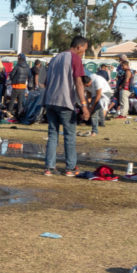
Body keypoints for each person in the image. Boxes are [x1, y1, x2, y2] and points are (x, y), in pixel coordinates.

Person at [41, 36, 89, 176]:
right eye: (84, 50)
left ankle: (49, 168)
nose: (83, 53)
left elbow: (45, 81)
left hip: (50, 100)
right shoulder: (75, 58)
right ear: (79, 47)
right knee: (69, 135)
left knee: (53, 134)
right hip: (65, 102)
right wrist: (84, 105)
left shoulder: (55, 58)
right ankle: (70, 168)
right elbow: (79, 83)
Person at [81, 70, 110, 136]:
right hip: (95, 95)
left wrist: (92, 107)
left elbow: (99, 95)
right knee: (97, 109)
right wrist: (89, 105)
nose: (86, 87)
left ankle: (94, 131)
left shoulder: (97, 81)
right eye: (85, 86)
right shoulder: (86, 84)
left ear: (90, 82)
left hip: (105, 93)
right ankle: (102, 123)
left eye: (87, 85)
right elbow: (88, 95)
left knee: (94, 111)